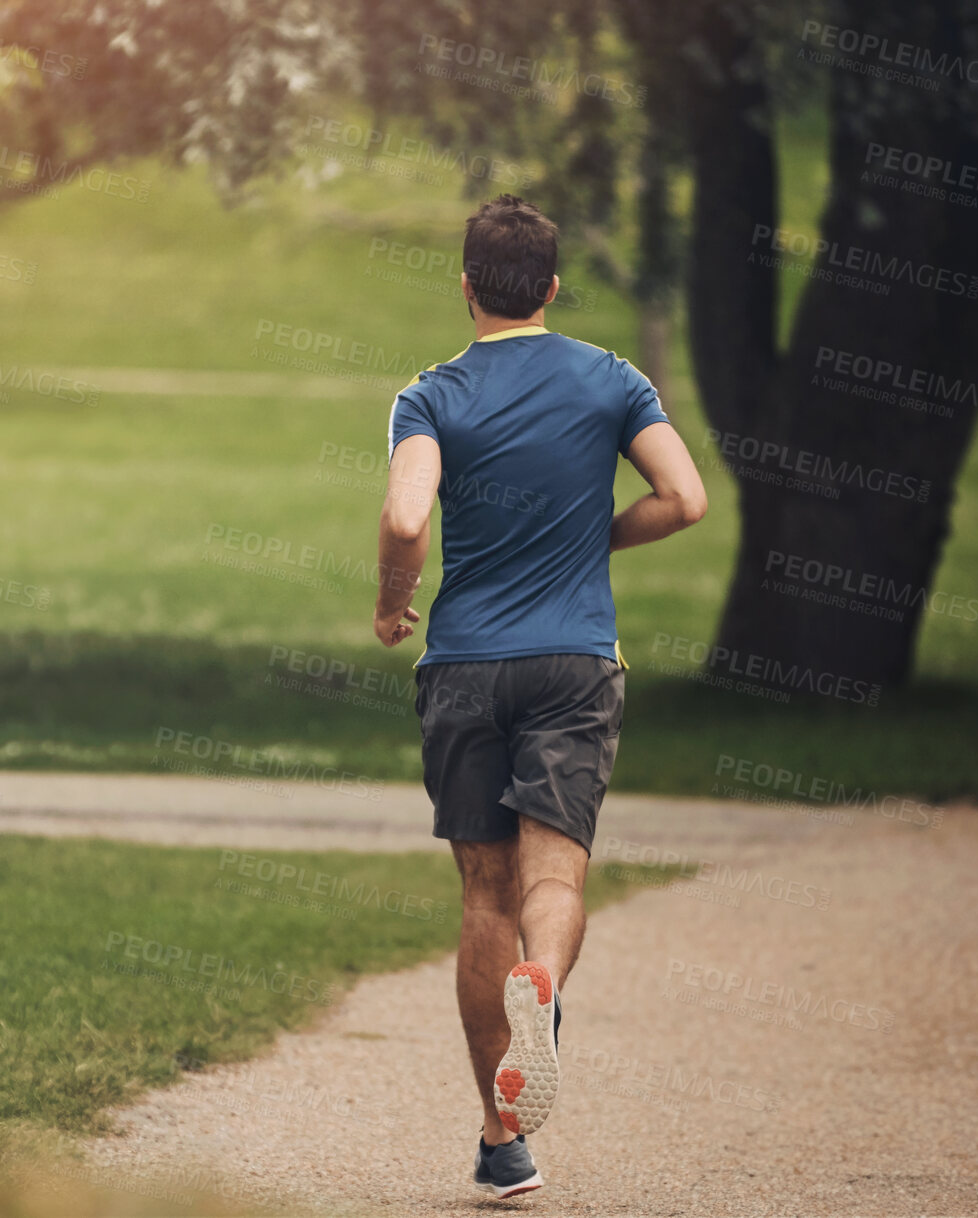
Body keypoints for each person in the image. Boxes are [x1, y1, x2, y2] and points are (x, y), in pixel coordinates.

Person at [372, 194, 707, 1199]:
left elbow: (402, 517)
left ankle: (499, 1136)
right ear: (552, 289)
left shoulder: (428, 395)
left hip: (464, 663)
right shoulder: (610, 378)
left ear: (466, 286)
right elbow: (685, 499)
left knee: (483, 896)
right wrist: (593, 536)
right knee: (550, 875)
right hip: (572, 660)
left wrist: (394, 605)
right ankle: (544, 988)